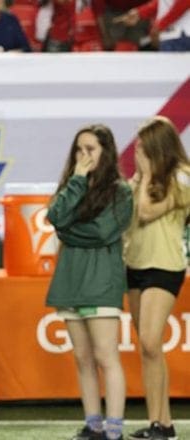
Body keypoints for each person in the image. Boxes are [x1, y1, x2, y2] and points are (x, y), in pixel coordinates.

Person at [45, 124, 133, 440]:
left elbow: (101, 232)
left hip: (101, 283)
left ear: (106, 152)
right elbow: (55, 217)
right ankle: (93, 423)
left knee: (106, 357)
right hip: (70, 281)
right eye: (79, 150)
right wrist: (78, 180)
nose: (83, 156)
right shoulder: (73, 184)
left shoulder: (121, 191)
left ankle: (114, 429)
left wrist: (68, 231)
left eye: (91, 149)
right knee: (82, 358)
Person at [124, 116, 190, 440]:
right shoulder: (139, 180)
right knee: (148, 348)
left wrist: (146, 175)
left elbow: (149, 212)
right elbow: (130, 217)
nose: (137, 152)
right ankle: (161, 422)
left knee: (150, 341)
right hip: (133, 264)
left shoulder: (182, 177)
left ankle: (160, 423)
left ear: (157, 147)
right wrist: (140, 179)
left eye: (141, 147)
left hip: (164, 266)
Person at [114, 0, 190, 51]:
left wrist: (159, 26)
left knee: (173, 72)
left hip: (180, 35)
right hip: (173, 35)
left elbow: (184, 2)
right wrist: (139, 12)